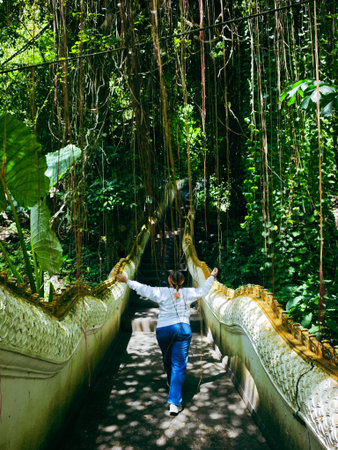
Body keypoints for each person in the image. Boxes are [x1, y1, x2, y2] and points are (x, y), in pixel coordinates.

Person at [116, 267, 218, 416]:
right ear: (182, 281)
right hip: (182, 330)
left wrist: (126, 281)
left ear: (169, 281)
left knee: (168, 358)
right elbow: (204, 290)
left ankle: (172, 386)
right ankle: (174, 403)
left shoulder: (161, 292)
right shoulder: (189, 292)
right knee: (178, 365)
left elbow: (143, 289)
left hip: (164, 331)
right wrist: (212, 276)